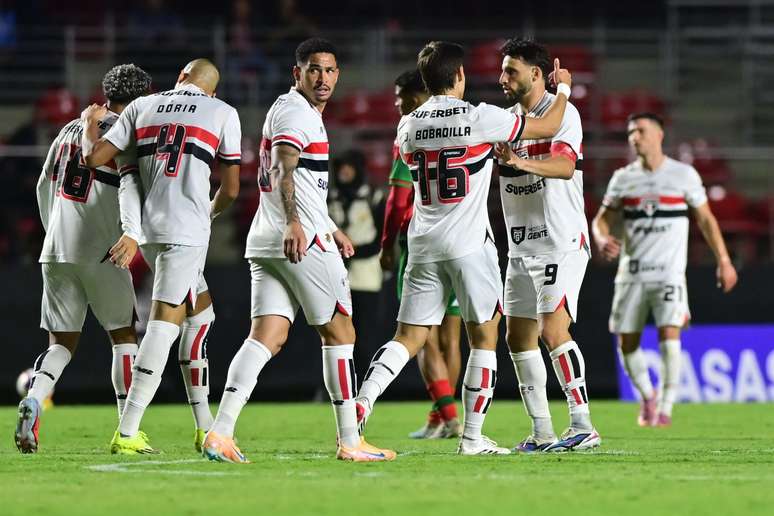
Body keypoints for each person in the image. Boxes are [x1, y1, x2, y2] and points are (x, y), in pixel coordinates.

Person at [355, 40, 572, 456]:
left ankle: (361, 404)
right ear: (459, 75)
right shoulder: (480, 116)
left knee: (407, 337)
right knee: (484, 337)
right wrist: (562, 89)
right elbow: (548, 127)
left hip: (422, 243)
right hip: (470, 244)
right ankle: (471, 437)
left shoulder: (408, 126)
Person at [202, 38, 395, 464]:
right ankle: (351, 440)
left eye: (329, 70)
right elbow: (282, 167)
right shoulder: (295, 112)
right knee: (341, 333)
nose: (322, 78)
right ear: (298, 73)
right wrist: (296, 222)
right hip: (298, 239)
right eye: (313, 69)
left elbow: (304, 181)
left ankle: (220, 432)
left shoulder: (295, 111)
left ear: (338, 74)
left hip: (268, 239)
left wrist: (331, 227)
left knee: (266, 337)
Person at [81, 58, 242, 454]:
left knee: (201, 317)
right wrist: (207, 213)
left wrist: (88, 126)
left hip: (150, 231)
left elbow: (96, 159)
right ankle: (128, 429)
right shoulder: (222, 111)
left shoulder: (143, 105)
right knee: (164, 325)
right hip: (186, 231)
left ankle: (204, 426)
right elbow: (232, 189)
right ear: (212, 90)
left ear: (181, 77)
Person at [15, 64, 152, 454]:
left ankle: (34, 398)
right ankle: (128, 429)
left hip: (56, 248)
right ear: (140, 99)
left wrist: (53, 234)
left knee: (61, 343)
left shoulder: (68, 130)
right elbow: (132, 188)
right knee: (123, 336)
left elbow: (44, 184)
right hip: (102, 249)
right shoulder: (127, 133)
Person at [592, 112, 738, 427]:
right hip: (632, 272)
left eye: (641, 131)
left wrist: (724, 260)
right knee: (626, 341)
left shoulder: (683, 175)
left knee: (669, 333)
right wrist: (602, 238)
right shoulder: (623, 178)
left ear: (659, 135)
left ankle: (666, 408)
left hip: (669, 273)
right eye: (631, 133)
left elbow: (706, 219)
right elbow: (601, 220)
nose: (635, 137)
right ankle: (648, 395)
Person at [494, 38, 600, 452]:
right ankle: (542, 432)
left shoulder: (564, 113)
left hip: (561, 240)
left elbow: (565, 165)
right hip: (520, 247)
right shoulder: (508, 121)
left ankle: (582, 424)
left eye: (511, 71)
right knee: (517, 338)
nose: (502, 78)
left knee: (553, 329)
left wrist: (519, 161)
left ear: (536, 74)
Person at [380, 69, 462, 439]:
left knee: (422, 336)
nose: (397, 103)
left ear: (419, 95)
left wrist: (387, 246)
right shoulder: (460, 127)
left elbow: (398, 201)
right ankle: (440, 417)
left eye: (402, 96)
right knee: (451, 340)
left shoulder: (410, 134)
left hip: (422, 243)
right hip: (461, 240)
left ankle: (448, 416)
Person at [327, 149, 386, 369]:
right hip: (335, 277)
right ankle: (338, 382)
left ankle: (364, 383)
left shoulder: (374, 197)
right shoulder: (330, 198)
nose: (344, 171)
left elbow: (382, 239)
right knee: (335, 336)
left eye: (349, 166)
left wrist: (352, 250)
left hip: (366, 277)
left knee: (365, 336)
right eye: (341, 166)